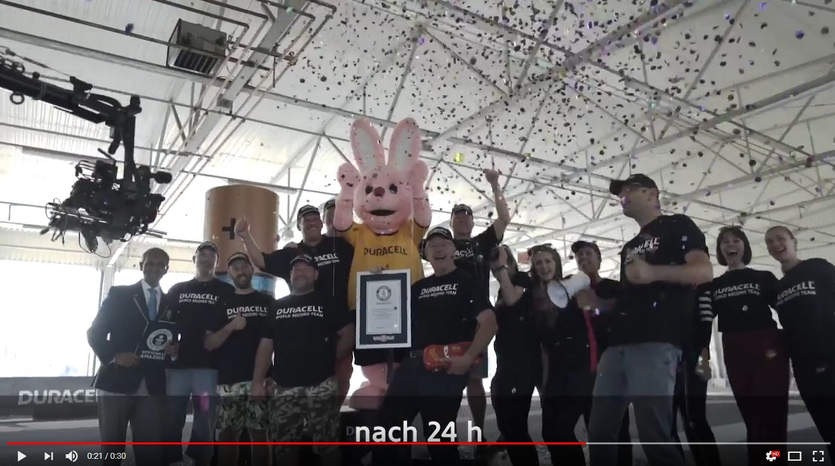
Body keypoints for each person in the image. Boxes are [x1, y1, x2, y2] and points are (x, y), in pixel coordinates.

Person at [580, 174, 712, 466]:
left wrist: (654, 273)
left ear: (652, 194)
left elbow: (703, 272)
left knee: (655, 437)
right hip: (616, 346)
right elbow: (628, 297)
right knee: (599, 433)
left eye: (629, 190)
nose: (622, 197)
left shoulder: (678, 225)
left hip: (657, 341)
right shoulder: (629, 247)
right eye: (620, 193)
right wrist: (599, 304)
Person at [372, 226, 498, 466]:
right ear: (426, 254)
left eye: (443, 244)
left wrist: (468, 358)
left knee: (439, 439)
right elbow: (391, 314)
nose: (438, 249)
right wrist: (378, 284)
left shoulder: (468, 282)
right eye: (432, 246)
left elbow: (489, 323)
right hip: (411, 366)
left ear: (453, 250)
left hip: (445, 367)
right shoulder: (417, 287)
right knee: (387, 431)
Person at [236, 204, 354, 405]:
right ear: (299, 226)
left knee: (341, 377)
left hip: (338, 321)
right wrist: (245, 236)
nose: (311, 222)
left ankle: (331, 413)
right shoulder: (292, 254)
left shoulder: (340, 245)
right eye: (305, 220)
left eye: (314, 218)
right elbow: (262, 261)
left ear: (322, 222)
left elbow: (361, 257)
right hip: (302, 324)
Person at [527, 242, 630, 466]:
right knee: (553, 431)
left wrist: (596, 306)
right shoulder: (536, 298)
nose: (544, 266)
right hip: (560, 373)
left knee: (606, 432)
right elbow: (544, 345)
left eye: (548, 261)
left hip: (589, 369)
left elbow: (613, 314)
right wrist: (543, 382)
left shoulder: (578, 288)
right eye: (539, 263)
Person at [252, 254, 354, 466]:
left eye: (306, 268)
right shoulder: (276, 306)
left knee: (328, 446)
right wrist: (257, 381)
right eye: (296, 269)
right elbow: (265, 345)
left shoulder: (329, 302)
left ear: (316, 275)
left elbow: (349, 335)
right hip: (283, 387)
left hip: (322, 385)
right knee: (284, 447)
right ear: (290, 275)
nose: (300, 272)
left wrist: (330, 358)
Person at [697, 226, 787, 466]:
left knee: (772, 413)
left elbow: (787, 311)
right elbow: (704, 322)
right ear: (720, 250)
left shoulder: (764, 278)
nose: (730, 244)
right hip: (734, 349)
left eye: (735, 240)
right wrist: (704, 357)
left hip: (768, 346)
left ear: (744, 246)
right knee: (750, 414)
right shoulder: (712, 285)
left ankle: (775, 461)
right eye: (724, 241)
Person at [87, 248, 173, 466]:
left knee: (149, 452)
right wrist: (115, 356)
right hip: (116, 380)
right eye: (150, 263)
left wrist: (175, 350)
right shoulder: (119, 295)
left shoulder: (171, 303)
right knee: (112, 450)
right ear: (141, 265)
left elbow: (170, 338)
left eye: (160, 265)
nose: (155, 268)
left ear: (166, 269)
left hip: (152, 385)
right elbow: (94, 333)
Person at [450, 168, 511, 454]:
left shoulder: (482, 243)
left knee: (474, 379)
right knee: (449, 377)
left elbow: (504, 218)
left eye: (467, 215)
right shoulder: (442, 244)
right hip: (448, 317)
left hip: (477, 319)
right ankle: (446, 436)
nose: (463, 218)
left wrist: (495, 184)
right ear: (451, 221)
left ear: (473, 222)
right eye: (458, 215)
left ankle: (478, 436)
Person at [766, 225, 835, 457]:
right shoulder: (778, 288)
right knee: (828, 429)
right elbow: (791, 327)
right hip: (805, 368)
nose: (775, 244)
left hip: (831, 357)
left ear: (794, 241)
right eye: (769, 242)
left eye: (780, 238)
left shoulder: (818, 267)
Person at [165, 241, 234, 466]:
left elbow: (232, 327)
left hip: (209, 369)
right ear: (194, 259)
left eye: (211, 255)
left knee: (205, 419)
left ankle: (200, 460)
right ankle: (172, 459)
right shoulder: (178, 289)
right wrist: (170, 345)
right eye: (202, 254)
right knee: (172, 416)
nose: (206, 258)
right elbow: (165, 323)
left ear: (217, 261)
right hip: (178, 367)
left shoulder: (226, 291)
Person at [205, 253, 274, 466]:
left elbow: (276, 341)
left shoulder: (267, 301)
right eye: (236, 268)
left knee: (260, 435)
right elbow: (209, 343)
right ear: (230, 273)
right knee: (227, 435)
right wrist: (230, 327)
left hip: (260, 379)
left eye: (244, 266)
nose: (241, 271)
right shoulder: (221, 304)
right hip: (229, 379)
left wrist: (270, 378)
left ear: (252, 269)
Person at [489, 244, 540, 466]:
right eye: (494, 268)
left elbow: (512, 300)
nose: (497, 271)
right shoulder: (503, 289)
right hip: (505, 364)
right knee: (505, 422)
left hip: (522, 365)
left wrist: (502, 268)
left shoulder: (521, 279)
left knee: (514, 424)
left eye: (500, 266)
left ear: (509, 263)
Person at [670, 283, 721, 466]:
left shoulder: (702, 288)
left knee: (694, 418)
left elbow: (706, 321)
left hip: (692, 356)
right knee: (670, 423)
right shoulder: (666, 288)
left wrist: (703, 357)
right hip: (670, 357)